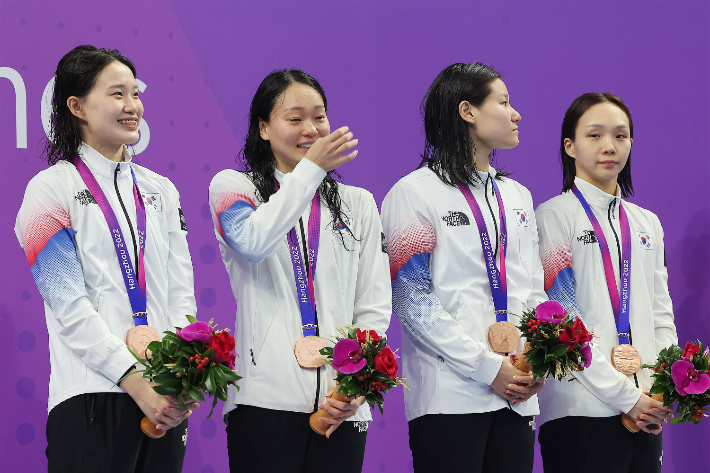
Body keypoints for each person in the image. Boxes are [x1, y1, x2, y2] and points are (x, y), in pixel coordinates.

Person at [15, 45, 198, 473]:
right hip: (92, 394)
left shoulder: (162, 190)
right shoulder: (48, 191)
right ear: (76, 106)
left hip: (162, 397)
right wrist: (136, 382)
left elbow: (179, 294)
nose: (132, 106)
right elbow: (69, 309)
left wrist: (176, 377)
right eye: (117, 94)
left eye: (135, 93)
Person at [209, 69, 391, 473]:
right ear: (263, 128)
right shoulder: (233, 188)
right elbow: (253, 243)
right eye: (295, 119)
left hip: (340, 405)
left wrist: (356, 383)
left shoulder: (358, 204)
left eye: (319, 117)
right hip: (264, 401)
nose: (311, 129)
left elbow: (373, 303)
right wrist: (310, 171)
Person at [380, 62, 547, 473]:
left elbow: (534, 292)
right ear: (467, 111)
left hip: (517, 395)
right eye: (504, 102)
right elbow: (411, 299)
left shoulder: (519, 197)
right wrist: (488, 367)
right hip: (449, 400)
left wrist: (535, 363)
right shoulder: (414, 192)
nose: (516, 114)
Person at [535, 92, 677, 473]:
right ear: (570, 145)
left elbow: (661, 312)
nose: (609, 146)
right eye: (595, 135)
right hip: (579, 408)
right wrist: (621, 395)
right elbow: (561, 322)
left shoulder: (648, 223)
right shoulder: (553, 216)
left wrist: (660, 386)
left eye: (621, 135)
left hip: (646, 407)